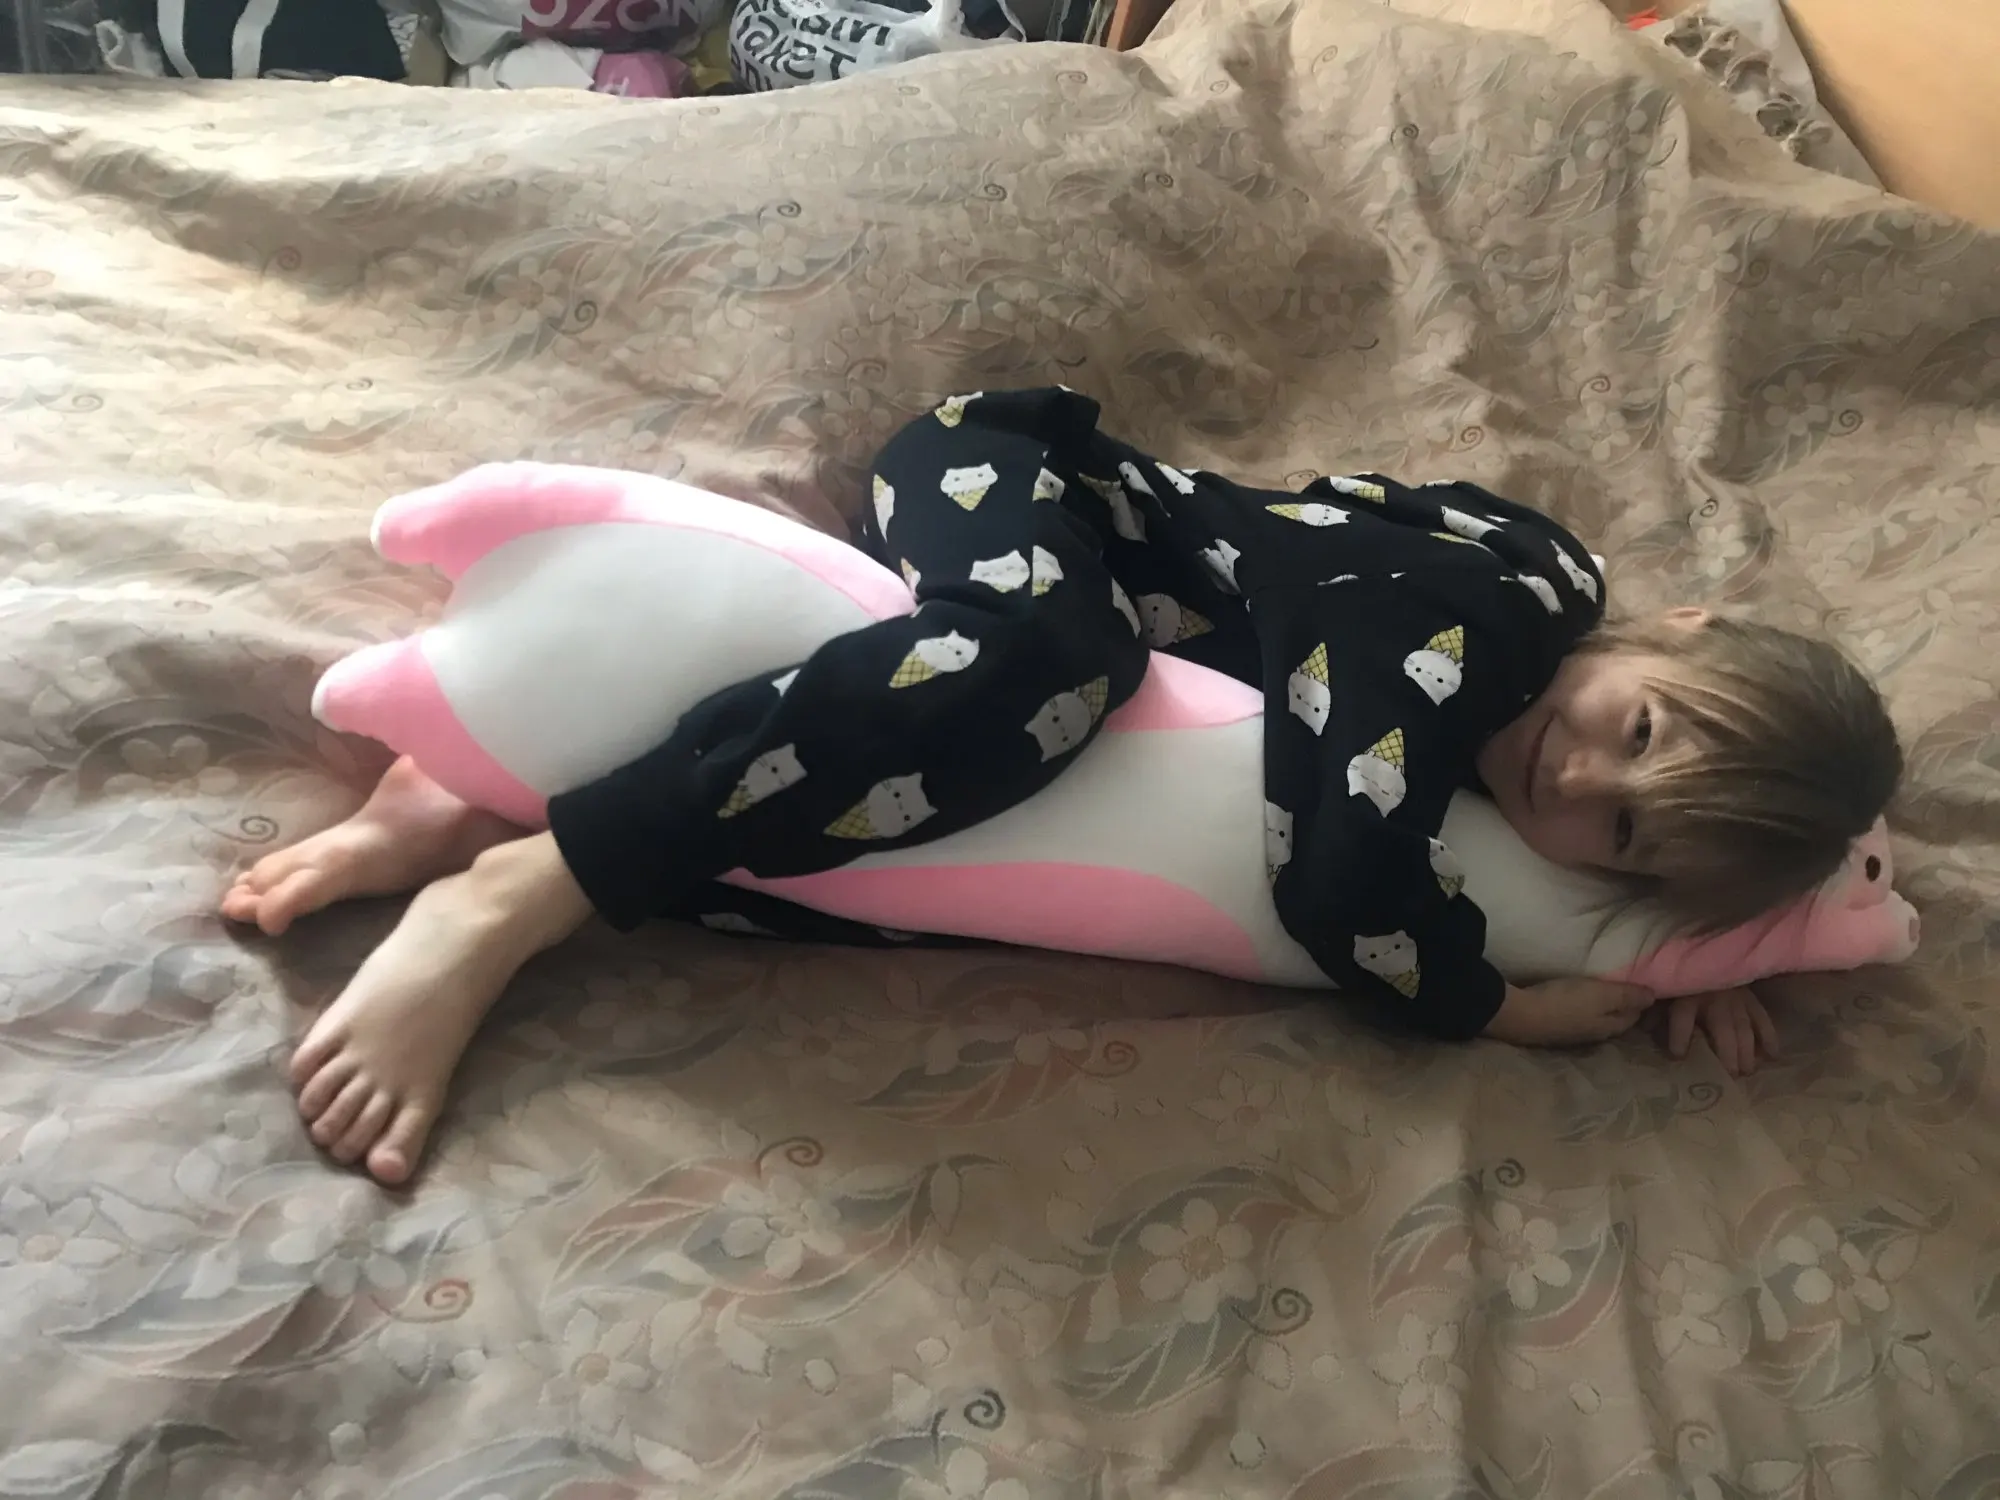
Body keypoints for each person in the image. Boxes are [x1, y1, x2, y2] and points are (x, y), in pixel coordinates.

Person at [221, 388, 1902, 1185]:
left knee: (936, 857)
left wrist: (1698, 946)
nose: (1581, 770)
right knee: (1041, 673)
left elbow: (1757, 808)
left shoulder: (1581, 701)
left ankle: (481, 786)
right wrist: (1496, 1008)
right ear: (1675, 625)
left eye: (1621, 831)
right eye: (1642, 727)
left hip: (1088, 641)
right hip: (1015, 484)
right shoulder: (1485, 619)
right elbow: (1341, 880)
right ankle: (534, 882)